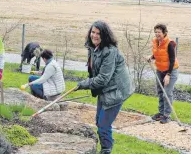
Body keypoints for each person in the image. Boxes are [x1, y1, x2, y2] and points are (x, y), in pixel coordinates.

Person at [76, 21, 134, 154]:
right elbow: (95, 72)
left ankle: (106, 150)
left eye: (98, 33)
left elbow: (103, 78)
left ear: (105, 35)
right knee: (99, 121)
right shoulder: (94, 48)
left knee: (103, 125)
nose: (94, 35)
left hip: (116, 91)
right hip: (105, 90)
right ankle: (107, 145)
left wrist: (83, 84)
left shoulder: (110, 52)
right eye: (93, 32)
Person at [147, 23, 179, 124]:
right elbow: (159, 53)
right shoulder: (156, 42)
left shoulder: (169, 43)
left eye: (159, 32)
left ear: (164, 33)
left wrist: (168, 75)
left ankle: (167, 115)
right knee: (160, 92)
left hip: (171, 71)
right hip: (160, 70)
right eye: (155, 32)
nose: (157, 34)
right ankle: (161, 113)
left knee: (167, 93)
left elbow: (172, 59)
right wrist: (151, 57)